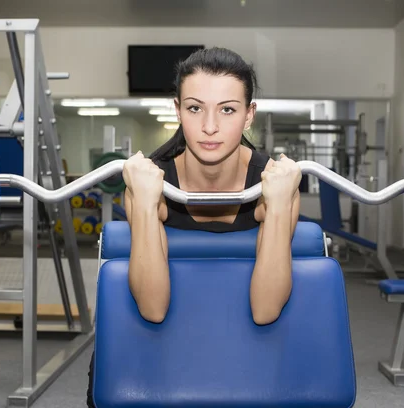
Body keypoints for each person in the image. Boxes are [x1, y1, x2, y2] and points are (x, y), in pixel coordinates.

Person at [86, 47, 302, 407]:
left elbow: (266, 311)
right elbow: (152, 309)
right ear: (177, 110)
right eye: (195, 108)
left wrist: (279, 204)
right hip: (154, 359)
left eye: (228, 109)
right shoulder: (150, 183)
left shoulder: (273, 185)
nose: (209, 127)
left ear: (249, 115)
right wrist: (141, 201)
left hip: (244, 359)